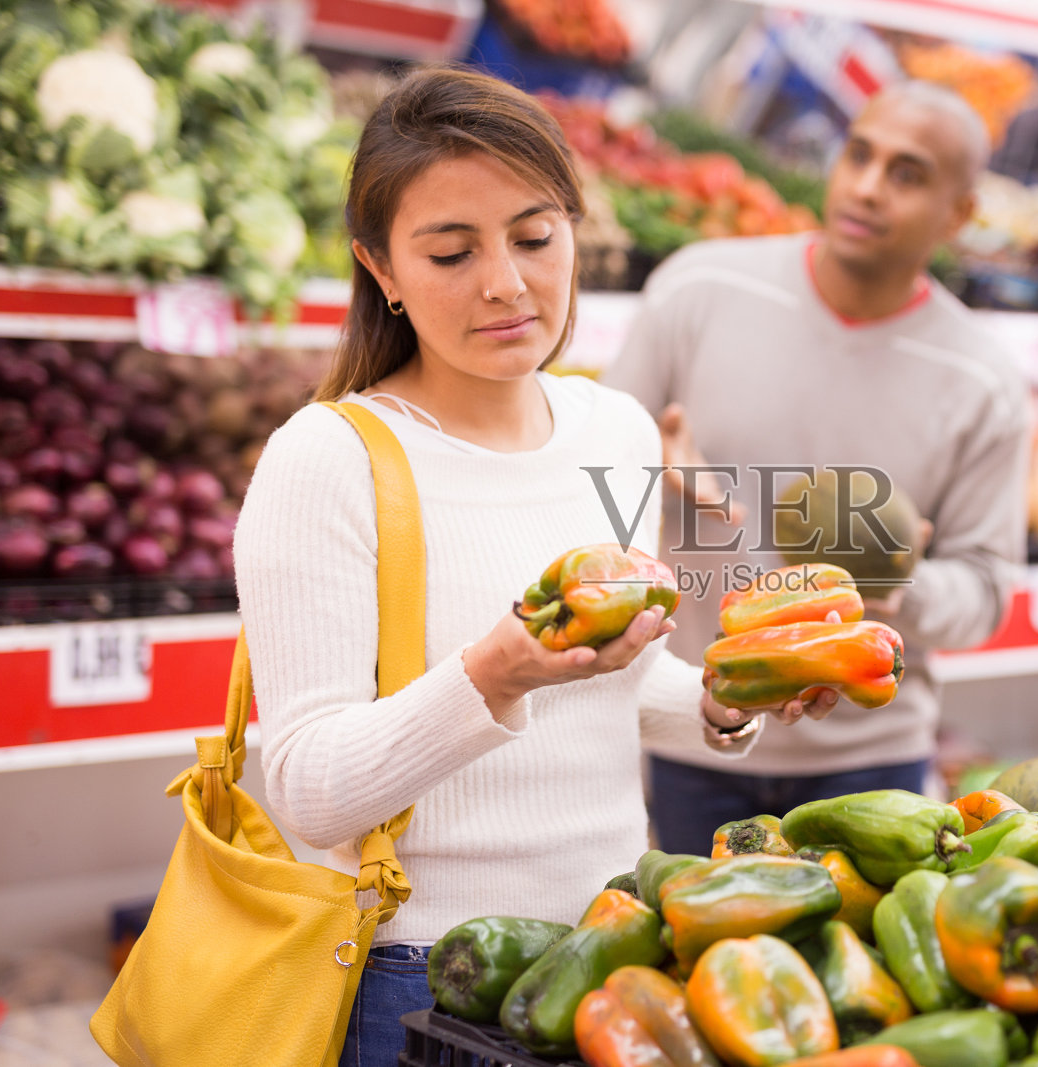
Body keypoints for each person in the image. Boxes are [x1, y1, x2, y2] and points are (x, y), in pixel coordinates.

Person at [232, 66, 832, 1067]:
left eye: (533, 236)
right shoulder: (328, 457)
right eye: (451, 250)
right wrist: (492, 670)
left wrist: (732, 698)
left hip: (615, 942)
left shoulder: (618, 427)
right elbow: (308, 788)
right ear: (380, 268)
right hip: (417, 974)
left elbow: (609, 686)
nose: (505, 281)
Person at [602, 80, 1032, 856]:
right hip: (695, 725)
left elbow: (987, 587)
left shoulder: (982, 378)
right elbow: (577, 471)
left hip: (870, 756)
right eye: (859, 155)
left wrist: (898, 589)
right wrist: (643, 460)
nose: (867, 187)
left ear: (959, 214)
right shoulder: (700, 288)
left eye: (907, 174)